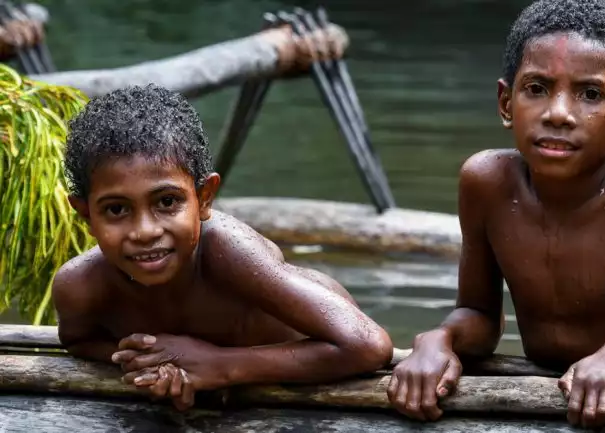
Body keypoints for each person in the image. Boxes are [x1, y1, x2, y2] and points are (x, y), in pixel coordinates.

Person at [386, 0, 605, 429]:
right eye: (536, 88)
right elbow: (480, 315)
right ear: (505, 102)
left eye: (590, 94)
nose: (558, 113)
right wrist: (440, 339)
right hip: (547, 395)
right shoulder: (486, 183)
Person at [52, 83, 393, 411]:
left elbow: (367, 345)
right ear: (86, 215)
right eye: (116, 210)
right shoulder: (80, 286)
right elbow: (80, 342)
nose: (144, 231)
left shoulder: (227, 250)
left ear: (203, 198)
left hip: (320, 357)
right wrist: (153, 367)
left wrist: (218, 366)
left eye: (167, 202)